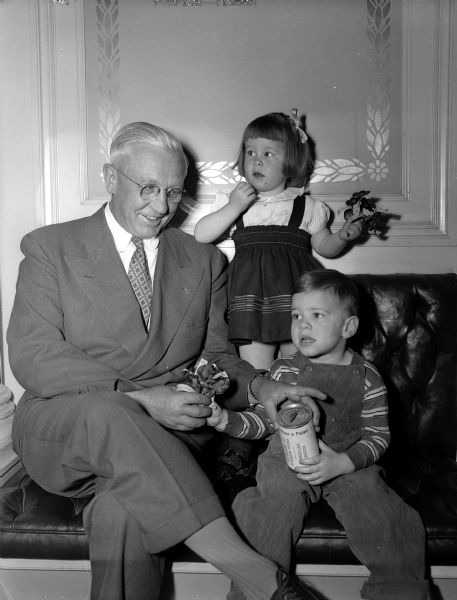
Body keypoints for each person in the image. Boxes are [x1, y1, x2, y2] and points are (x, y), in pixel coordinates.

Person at [6, 121, 330, 600]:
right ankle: (260, 578)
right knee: (110, 409)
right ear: (111, 178)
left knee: (124, 513)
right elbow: (34, 356)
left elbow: (217, 358)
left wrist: (265, 388)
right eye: (149, 188)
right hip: (66, 425)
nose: (161, 207)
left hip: (169, 441)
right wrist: (140, 398)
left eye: (174, 193)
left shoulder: (203, 261)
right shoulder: (50, 248)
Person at [207, 270, 432, 600]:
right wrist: (226, 419)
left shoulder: (368, 377)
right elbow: (261, 423)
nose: (303, 325)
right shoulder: (283, 371)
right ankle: (259, 591)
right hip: (288, 463)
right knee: (267, 510)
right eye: (296, 315)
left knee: (388, 519)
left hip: (348, 463)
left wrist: (344, 463)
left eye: (317, 315)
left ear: (348, 327)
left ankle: (399, 592)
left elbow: (378, 437)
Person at [194, 111, 364, 371]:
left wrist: (342, 236)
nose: (256, 161)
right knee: (256, 371)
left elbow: (325, 248)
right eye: (250, 152)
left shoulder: (307, 206)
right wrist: (234, 207)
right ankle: (261, 410)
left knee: (299, 368)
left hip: (298, 305)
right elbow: (201, 234)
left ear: (291, 162)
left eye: (267, 154)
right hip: (251, 301)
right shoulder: (234, 203)